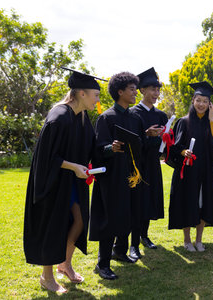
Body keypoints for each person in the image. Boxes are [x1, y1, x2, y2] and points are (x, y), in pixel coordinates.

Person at [23, 68, 102, 293]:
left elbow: (91, 147)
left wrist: (110, 149)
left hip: (71, 183)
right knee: (53, 225)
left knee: (79, 221)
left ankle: (64, 263)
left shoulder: (82, 118)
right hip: (53, 182)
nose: (97, 99)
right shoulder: (59, 116)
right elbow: (47, 156)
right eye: (95, 95)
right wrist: (73, 166)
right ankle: (47, 277)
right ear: (81, 93)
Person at [89, 72, 144, 280]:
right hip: (112, 177)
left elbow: (139, 147)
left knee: (129, 214)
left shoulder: (135, 118)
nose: (135, 93)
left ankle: (120, 251)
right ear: (120, 91)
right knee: (110, 218)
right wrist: (110, 148)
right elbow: (97, 150)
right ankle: (103, 263)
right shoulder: (107, 118)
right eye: (131, 89)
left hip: (132, 175)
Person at [167, 81, 213, 252]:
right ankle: (187, 240)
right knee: (188, 202)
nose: (201, 104)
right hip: (188, 171)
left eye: (205, 101)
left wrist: (210, 120)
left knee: (204, 203)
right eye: (198, 100)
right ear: (193, 101)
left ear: (210, 104)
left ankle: (199, 240)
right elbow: (174, 147)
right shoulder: (184, 122)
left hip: (207, 171)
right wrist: (183, 152)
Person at [129, 67, 167, 257]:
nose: (156, 93)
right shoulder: (133, 113)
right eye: (152, 89)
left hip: (153, 163)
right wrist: (146, 134)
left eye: (158, 89)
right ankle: (133, 243)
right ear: (142, 90)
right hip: (137, 165)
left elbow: (165, 142)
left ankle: (144, 235)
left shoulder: (161, 115)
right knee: (137, 203)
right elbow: (130, 141)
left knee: (150, 200)